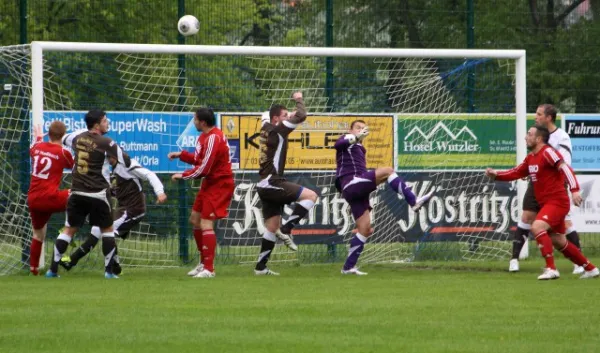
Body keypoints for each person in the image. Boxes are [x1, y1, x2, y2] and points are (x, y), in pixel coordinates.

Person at [486, 125, 599, 280]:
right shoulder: (531, 157)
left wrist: (574, 189)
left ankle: (551, 269)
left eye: (529, 134)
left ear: (538, 139)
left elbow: (565, 168)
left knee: (537, 227)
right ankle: (591, 269)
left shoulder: (548, 152)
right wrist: (496, 175)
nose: (526, 137)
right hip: (547, 203)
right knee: (558, 241)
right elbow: (516, 172)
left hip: (557, 201)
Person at [335, 120, 434, 275]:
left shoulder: (360, 147)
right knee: (388, 171)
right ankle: (413, 200)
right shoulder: (346, 139)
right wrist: (355, 137)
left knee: (365, 229)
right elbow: (338, 144)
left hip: (356, 189)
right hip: (351, 182)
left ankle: (348, 267)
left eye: (363, 128)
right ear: (351, 130)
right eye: (358, 128)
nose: (361, 130)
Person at [45, 109, 131, 278]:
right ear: (97, 124)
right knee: (107, 229)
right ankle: (108, 272)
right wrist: (111, 160)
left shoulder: (76, 137)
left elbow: (60, 139)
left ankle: (52, 270)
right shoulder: (107, 142)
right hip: (98, 193)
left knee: (69, 230)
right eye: (105, 120)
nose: (108, 123)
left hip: (76, 192)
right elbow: (125, 160)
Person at [509, 104, 584, 274]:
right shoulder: (537, 135)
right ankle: (514, 259)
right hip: (536, 184)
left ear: (549, 118)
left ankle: (578, 263)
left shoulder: (561, 137)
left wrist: (573, 189)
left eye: (539, 114)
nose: (536, 117)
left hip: (555, 186)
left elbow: (564, 164)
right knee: (527, 216)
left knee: (565, 223)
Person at [59, 157, 167, 274]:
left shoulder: (128, 165)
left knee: (108, 234)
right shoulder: (114, 169)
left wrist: (160, 192)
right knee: (97, 229)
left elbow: (149, 174)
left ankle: (111, 269)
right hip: (123, 209)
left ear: (115, 155)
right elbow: (116, 190)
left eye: (108, 156)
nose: (106, 159)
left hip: (133, 210)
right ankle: (74, 262)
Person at [253, 91, 318, 276]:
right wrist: (298, 98)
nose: (287, 117)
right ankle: (287, 229)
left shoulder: (266, 126)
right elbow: (302, 115)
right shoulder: (277, 128)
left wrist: (280, 113)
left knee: (271, 228)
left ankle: (260, 268)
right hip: (271, 181)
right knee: (311, 196)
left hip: (266, 183)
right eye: (284, 115)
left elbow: (265, 115)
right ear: (276, 119)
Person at [169, 108, 234, 278]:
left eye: (195, 119)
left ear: (203, 122)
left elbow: (204, 169)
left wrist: (183, 175)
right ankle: (203, 263)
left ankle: (209, 269)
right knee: (195, 220)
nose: (194, 122)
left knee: (206, 223)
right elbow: (199, 161)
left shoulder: (214, 137)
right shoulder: (203, 137)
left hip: (220, 184)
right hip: (210, 183)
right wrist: (181, 155)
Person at [27, 121, 74, 275]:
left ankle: (33, 269)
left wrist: (38, 138)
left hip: (33, 198)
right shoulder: (63, 153)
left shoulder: (37, 147)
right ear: (63, 134)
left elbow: (32, 149)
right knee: (78, 196)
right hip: (50, 197)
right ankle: (67, 231)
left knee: (39, 233)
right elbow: (73, 166)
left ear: (49, 133)